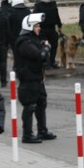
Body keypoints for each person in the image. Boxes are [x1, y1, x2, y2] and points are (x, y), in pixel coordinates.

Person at [14, 13, 57, 144]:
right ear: (29, 27)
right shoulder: (24, 42)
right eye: (36, 26)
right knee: (30, 106)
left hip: (37, 77)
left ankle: (42, 130)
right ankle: (27, 134)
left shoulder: (33, 40)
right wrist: (46, 47)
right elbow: (39, 55)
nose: (39, 28)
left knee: (41, 103)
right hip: (28, 78)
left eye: (38, 26)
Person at [33, 0, 63, 69]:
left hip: (50, 29)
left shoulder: (41, 6)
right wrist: (59, 26)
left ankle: (50, 62)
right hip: (43, 29)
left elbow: (56, 16)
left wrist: (59, 25)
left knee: (52, 45)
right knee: (45, 46)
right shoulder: (39, 6)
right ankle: (46, 62)